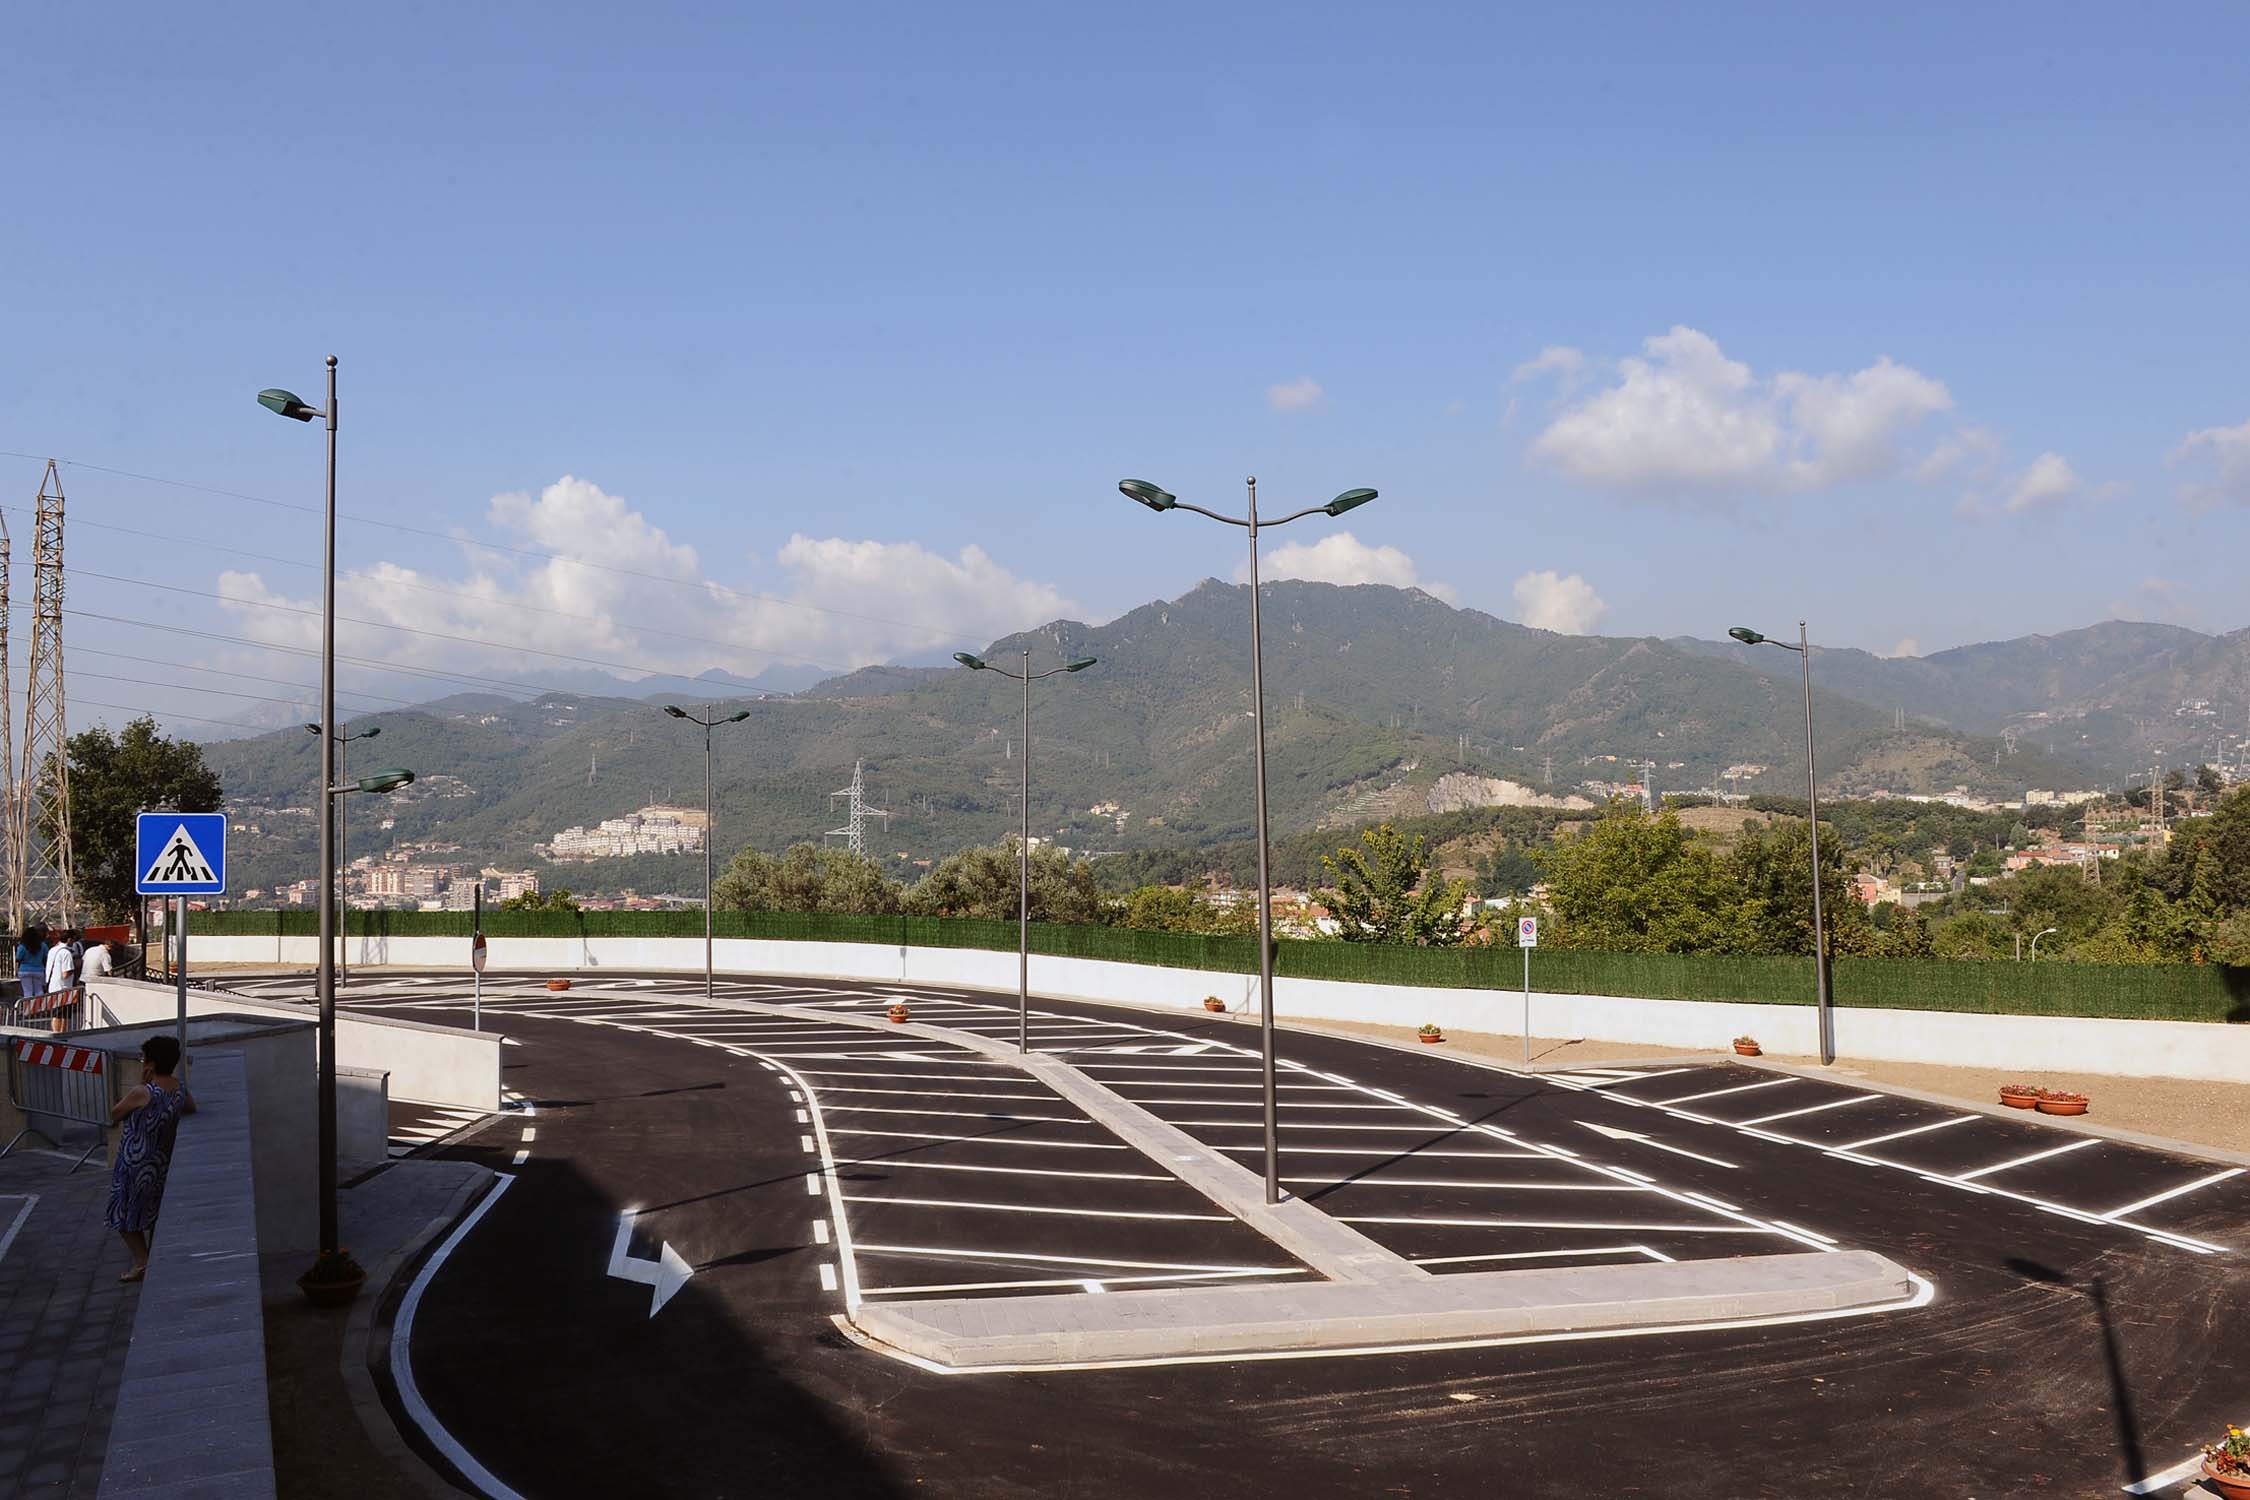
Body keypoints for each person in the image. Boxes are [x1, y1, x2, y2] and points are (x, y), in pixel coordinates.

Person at [106, 1034, 195, 1283]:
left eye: (144, 1059)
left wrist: (141, 1082)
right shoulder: (178, 1088)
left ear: (151, 1064)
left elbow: (114, 1114)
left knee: (123, 1216)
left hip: (134, 1163)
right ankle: (151, 1261)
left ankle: (143, 1262)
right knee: (152, 1214)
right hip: (160, 1162)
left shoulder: (142, 1092)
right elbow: (191, 1108)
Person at [14, 925, 45, 1003]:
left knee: (27, 991)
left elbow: (18, 958)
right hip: (39, 970)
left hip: (24, 970)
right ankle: (39, 1007)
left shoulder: (22, 946)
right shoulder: (42, 945)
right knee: (39, 990)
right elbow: (46, 956)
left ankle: (28, 1008)